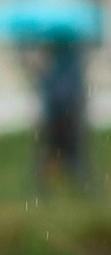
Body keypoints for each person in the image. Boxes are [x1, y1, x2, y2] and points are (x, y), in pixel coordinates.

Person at [34, 34, 93, 193]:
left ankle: (79, 184)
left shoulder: (67, 55)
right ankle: (52, 186)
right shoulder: (63, 55)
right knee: (57, 149)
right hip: (59, 108)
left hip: (65, 107)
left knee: (68, 149)